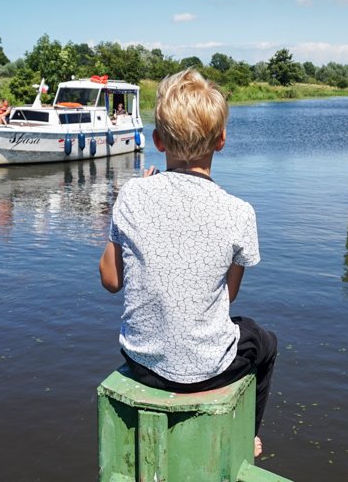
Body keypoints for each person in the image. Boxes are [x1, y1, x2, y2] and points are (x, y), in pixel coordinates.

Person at [98, 69, 277, 459]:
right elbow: (225, 297)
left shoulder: (132, 194)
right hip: (206, 370)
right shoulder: (239, 212)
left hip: (141, 360)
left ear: (158, 140)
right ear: (222, 140)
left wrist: (134, 203)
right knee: (264, 342)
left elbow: (111, 280)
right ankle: (248, 435)